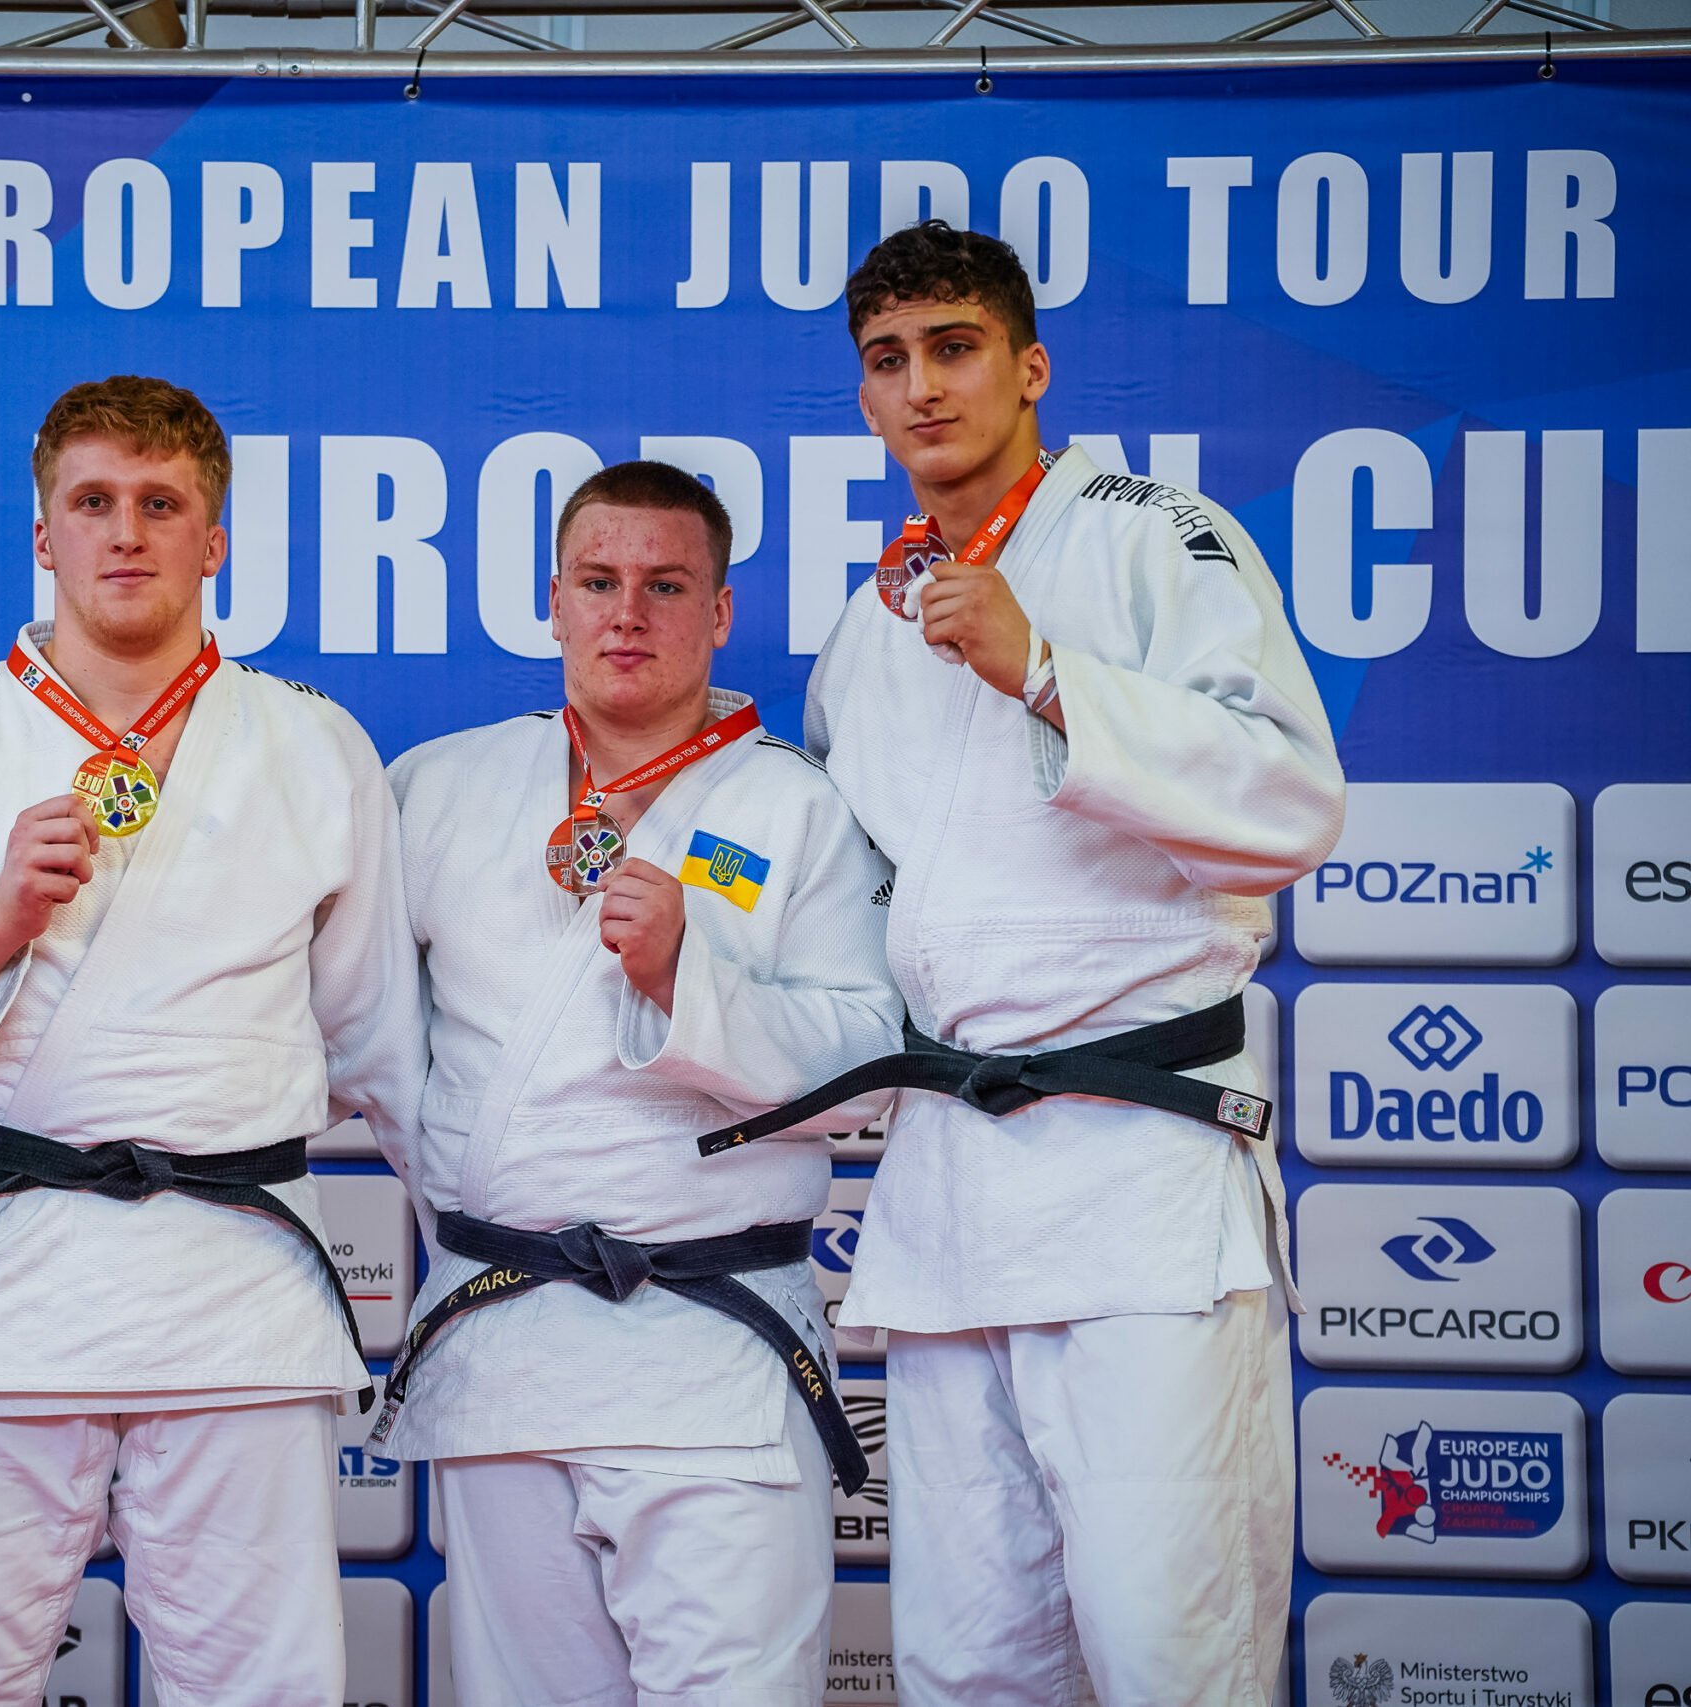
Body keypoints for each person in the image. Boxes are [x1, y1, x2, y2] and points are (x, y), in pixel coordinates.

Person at [0, 375, 422, 1707]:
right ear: (44, 533)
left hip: (235, 1286)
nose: (127, 532)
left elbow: (371, 1036)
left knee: (264, 1686)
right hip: (7, 1281)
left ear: (213, 539)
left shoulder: (314, 745)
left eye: (161, 504)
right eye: (95, 502)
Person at [799, 221, 1346, 1705]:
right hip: (948, 1193)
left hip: (1136, 1180)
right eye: (887, 360)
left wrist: (1047, 672)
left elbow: (1291, 799)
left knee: (1169, 1649)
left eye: (954, 348)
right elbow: (845, 887)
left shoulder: (1155, 537)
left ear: (1030, 367)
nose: (921, 387)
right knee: (966, 1663)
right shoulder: (868, 623)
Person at [379, 460, 903, 1707]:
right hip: (503, 1341)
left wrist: (685, 980)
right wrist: (466, 1190)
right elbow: (371, 1042)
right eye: (598, 582)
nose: (627, 613)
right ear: (552, 601)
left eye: (665, 586)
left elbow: (868, 1066)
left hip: (710, 1355)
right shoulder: (439, 788)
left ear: (717, 613)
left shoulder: (799, 808)